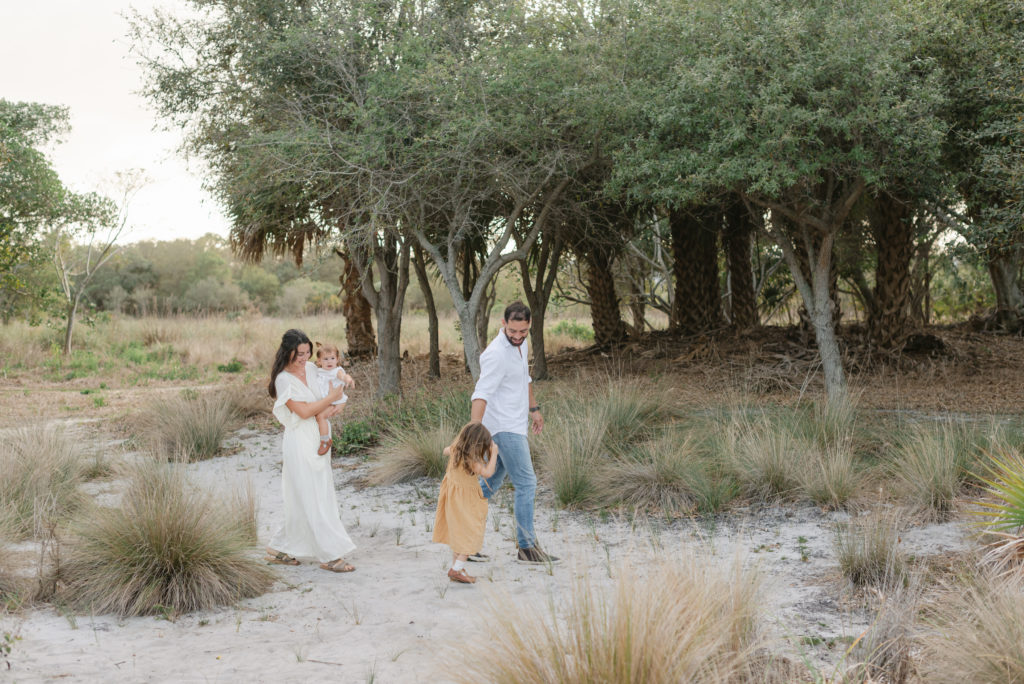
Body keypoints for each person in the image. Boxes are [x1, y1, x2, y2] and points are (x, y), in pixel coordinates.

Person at [470, 301, 560, 565]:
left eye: (523, 332)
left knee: (489, 484)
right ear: (503, 324)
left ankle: (463, 538)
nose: (518, 337)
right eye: (513, 332)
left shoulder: (521, 344)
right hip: (503, 427)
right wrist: (474, 432)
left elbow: (525, 377)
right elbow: (481, 393)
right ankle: (527, 547)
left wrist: (534, 409)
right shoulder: (496, 353)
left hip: (516, 422)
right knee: (526, 483)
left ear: (528, 325)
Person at [264, 328, 356, 573]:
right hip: (300, 439)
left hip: (318, 435)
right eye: (299, 354)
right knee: (311, 494)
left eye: (306, 353)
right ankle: (328, 555)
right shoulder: (283, 379)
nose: (303, 358)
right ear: (288, 353)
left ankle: (279, 547)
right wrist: (330, 400)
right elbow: (304, 412)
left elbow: (333, 386)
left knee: (316, 493)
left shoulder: (313, 369)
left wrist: (338, 404)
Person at [431, 422, 499, 584]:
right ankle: (455, 570)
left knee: (458, 533)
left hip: (452, 498)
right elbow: (488, 473)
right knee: (471, 533)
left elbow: (444, 450)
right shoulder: (472, 461)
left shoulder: (455, 450)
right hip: (466, 501)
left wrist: (457, 445)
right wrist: (494, 453)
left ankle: (458, 568)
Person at [313, 342, 355, 456]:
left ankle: (325, 440)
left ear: (337, 360)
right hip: (326, 400)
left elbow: (343, 376)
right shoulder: (319, 371)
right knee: (317, 417)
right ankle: (320, 436)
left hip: (334, 401)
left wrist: (348, 379)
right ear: (319, 361)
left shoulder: (336, 371)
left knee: (320, 417)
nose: (329, 361)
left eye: (332, 358)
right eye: (325, 359)